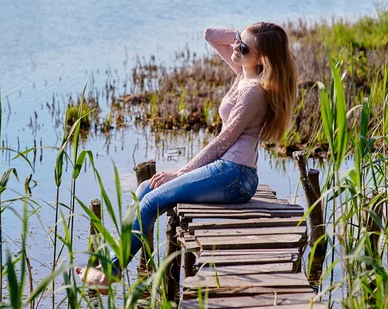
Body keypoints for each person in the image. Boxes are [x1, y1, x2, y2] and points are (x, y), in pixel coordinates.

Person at [75, 22, 298, 293]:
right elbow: (211, 36)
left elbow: (222, 142)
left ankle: (110, 273)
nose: (236, 49)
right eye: (238, 43)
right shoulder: (244, 73)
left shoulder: (254, 92)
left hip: (236, 176)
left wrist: (180, 173)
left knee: (150, 203)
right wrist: (241, 36)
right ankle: (114, 266)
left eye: (243, 47)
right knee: (146, 188)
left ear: (262, 58)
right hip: (228, 171)